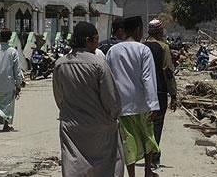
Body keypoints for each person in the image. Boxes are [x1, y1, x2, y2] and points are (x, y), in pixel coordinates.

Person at [53, 22, 123, 177]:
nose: (97, 43)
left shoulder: (60, 64)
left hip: (71, 126)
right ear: (88, 40)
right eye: (96, 39)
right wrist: (114, 116)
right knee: (106, 166)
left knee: (74, 165)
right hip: (100, 127)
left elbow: (59, 98)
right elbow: (111, 99)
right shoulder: (99, 64)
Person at [106, 16, 160, 177]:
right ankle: (148, 171)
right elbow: (148, 78)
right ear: (138, 30)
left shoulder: (112, 51)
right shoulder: (143, 50)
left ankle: (131, 175)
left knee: (128, 142)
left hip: (122, 106)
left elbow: (108, 78)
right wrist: (154, 105)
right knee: (147, 138)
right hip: (142, 104)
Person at [143, 19, 178, 170]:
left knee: (145, 124)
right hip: (159, 92)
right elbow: (168, 71)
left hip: (143, 92)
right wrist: (174, 95)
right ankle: (153, 157)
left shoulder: (141, 47)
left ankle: (145, 154)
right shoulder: (164, 47)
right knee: (157, 125)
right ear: (159, 32)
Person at [0, 28, 23, 132]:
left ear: (0, 37)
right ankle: (5, 124)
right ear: (10, 38)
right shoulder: (13, 52)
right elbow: (17, 70)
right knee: (9, 104)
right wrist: (18, 83)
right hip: (8, 82)